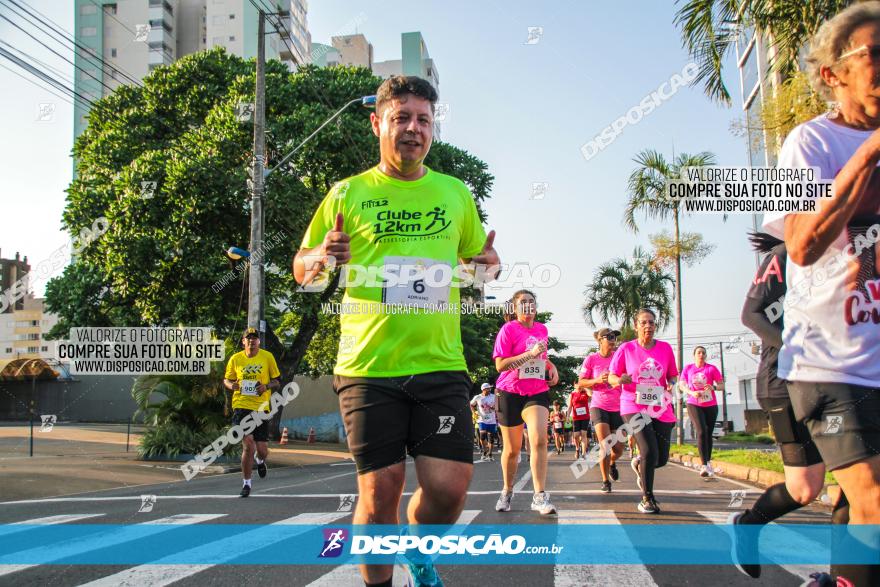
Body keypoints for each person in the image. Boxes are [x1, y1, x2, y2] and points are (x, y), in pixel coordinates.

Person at [293, 75, 500, 587]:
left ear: (433, 128)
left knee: (449, 489)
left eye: (424, 120)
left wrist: (490, 264)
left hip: (440, 362)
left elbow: (479, 265)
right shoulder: (348, 192)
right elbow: (303, 270)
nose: (413, 128)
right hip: (368, 366)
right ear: (377, 124)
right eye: (401, 118)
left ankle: (418, 547)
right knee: (381, 490)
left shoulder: (455, 193)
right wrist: (321, 257)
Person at [762, 6, 880, 583]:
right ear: (833, 74)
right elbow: (804, 244)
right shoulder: (806, 144)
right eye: (872, 55)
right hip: (829, 362)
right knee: (874, 502)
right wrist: (869, 152)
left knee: (857, 507)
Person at [730, 232, 849, 580]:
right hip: (786, 383)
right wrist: (797, 349)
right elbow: (752, 315)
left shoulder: (858, 248)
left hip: (842, 383)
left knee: (855, 481)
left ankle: (841, 575)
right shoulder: (786, 254)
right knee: (805, 488)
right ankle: (748, 525)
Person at [493, 289, 560, 516]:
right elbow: (500, 365)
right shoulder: (508, 330)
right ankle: (507, 490)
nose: (528, 305)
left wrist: (551, 367)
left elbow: (541, 357)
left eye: (532, 301)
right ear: (515, 308)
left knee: (539, 440)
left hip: (536, 391)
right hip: (509, 391)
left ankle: (539, 496)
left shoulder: (542, 329)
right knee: (512, 451)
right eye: (523, 302)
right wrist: (529, 354)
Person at [608, 308, 677, 514]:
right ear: (636, 326)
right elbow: (612, 377)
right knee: (649, 450)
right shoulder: (626, 349)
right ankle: (647, 498)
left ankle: (640, 464)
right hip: (633, 404)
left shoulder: (665, 348)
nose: (648, 326)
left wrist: (672, 383)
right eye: (644, 322)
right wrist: (620, 379)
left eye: (652, 323)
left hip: (660, 405)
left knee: (661, 459)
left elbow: (672, 375)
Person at [223, 327, 281, 498]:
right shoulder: (235, 359)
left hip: (261, 407)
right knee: (248, 443)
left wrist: (266, 386)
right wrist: (230, 385)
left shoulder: (267, 357)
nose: (251, 341)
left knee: (262, 449)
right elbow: (227, 379)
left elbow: (277, 381)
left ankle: (260, 460)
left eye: (254, 338)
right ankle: (246, 484)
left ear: (259, 342)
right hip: (241, 405)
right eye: (248, 338)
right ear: (243, 342)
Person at [578, 327, 624, 493]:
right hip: (599, 405)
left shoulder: (618, 358)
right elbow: (581, 383)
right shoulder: (591, 359)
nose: (613, 340)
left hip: (618, 406)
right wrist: (597, 379)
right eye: (610, 337)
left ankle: (612, 462)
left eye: (615, 337)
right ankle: (605, 481)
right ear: (600, 340)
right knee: (605, 444)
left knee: (618, 449)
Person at [680, 346, 724, 477]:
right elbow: (682, 385)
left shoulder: (711, 368)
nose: (701, 355)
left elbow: (722, 385)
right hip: (694, 403)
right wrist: (691, 392)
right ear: (694, 355)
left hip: (710, 404)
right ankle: (704, 465)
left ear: (706, 355)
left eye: (703, 353)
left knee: (708, 434)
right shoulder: (688, 368)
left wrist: (714, 387)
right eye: (699, 352)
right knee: (701, 431)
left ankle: (708, 462)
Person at [471, 383, 498, 461]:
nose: (490, 389)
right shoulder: (478, 397)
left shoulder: (493, 396)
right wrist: (474, 413)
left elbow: (498, 405)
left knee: (491, 438)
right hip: (481, 419)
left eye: (490, 388)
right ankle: (484, 451)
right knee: (482, 437)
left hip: (492, 420)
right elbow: (471, 404)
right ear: (483, 389)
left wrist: (494, 407)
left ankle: (490, 454)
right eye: (488, 388)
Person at [566, 384, 591, 462]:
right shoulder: (572, 394)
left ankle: (583, 454)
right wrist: (567, 416)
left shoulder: (586, 393)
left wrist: (586, 388)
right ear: (574, 385)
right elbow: (570, 406)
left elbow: (591, 395)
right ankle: (577, 449)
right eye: (578, 384)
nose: (579, 386)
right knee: (576, 435)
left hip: (585, 417)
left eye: (581, 384)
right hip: (576, 417)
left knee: (584, 434)